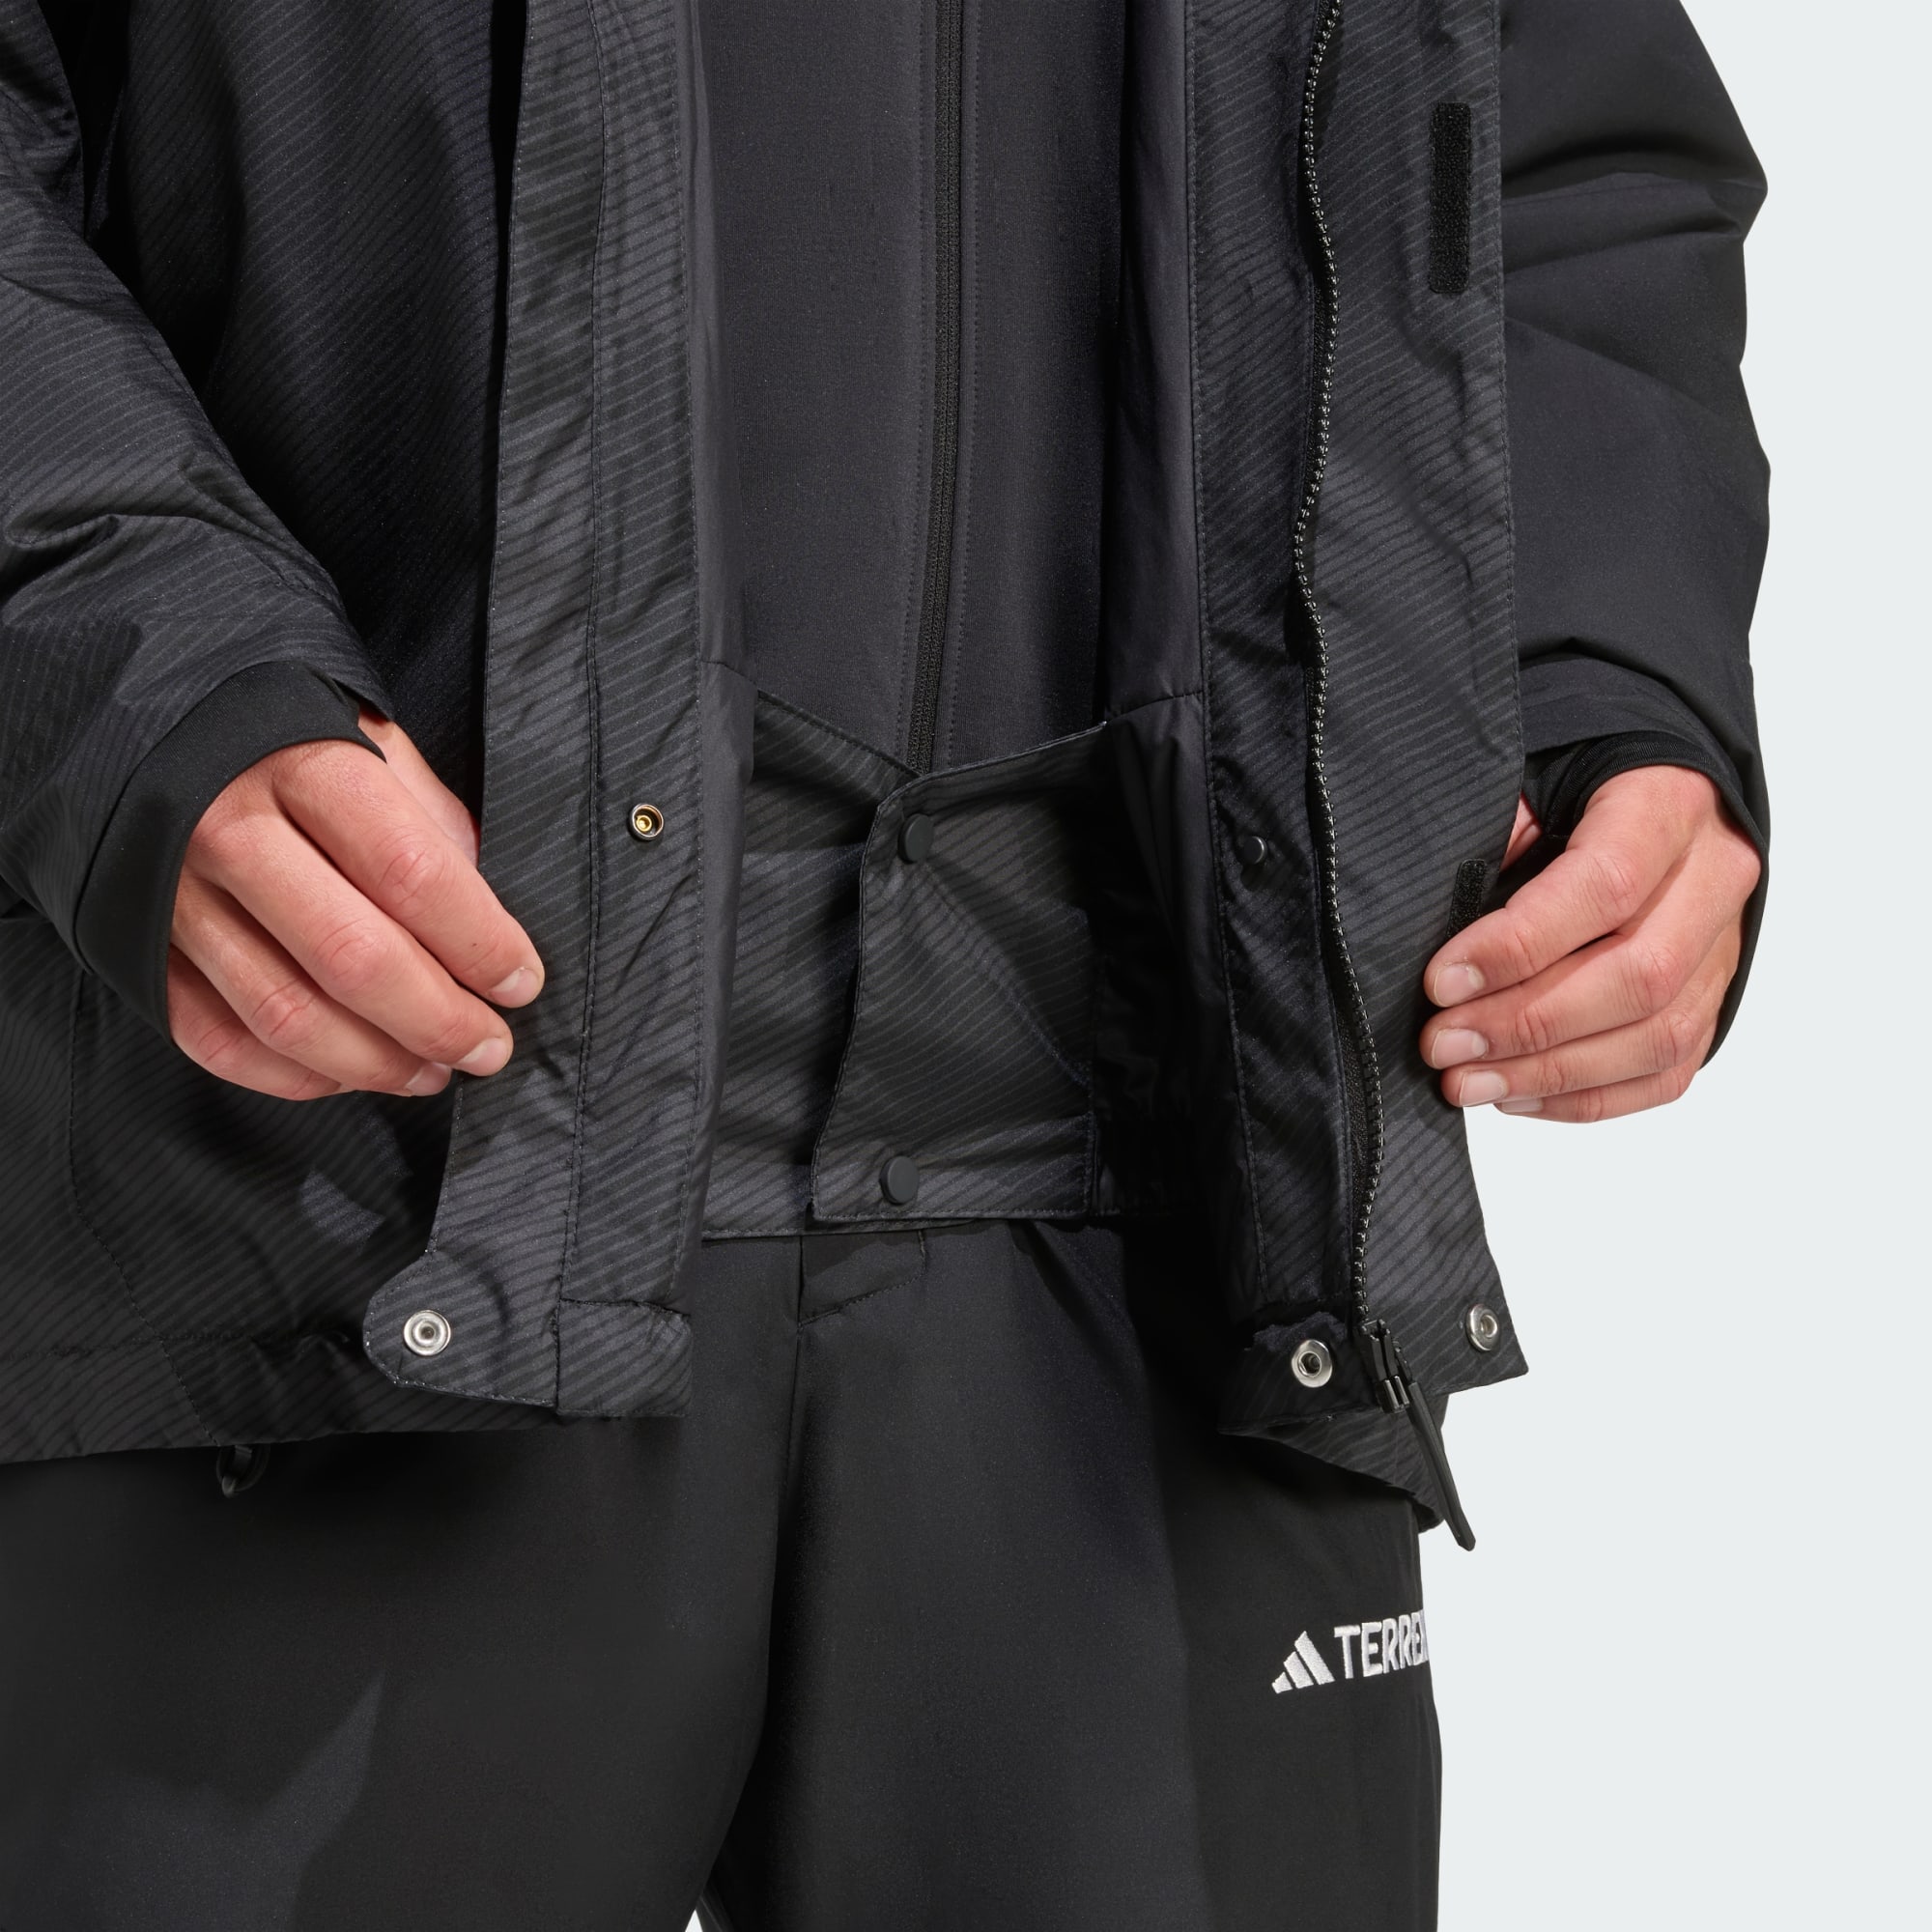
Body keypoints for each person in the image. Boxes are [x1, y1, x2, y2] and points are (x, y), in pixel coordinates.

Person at [0, 0, 1766, 1925]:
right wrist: (135, 656)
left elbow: (1555, 151)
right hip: (337, 1208)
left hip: (1186, 1223)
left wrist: (1602, 683)